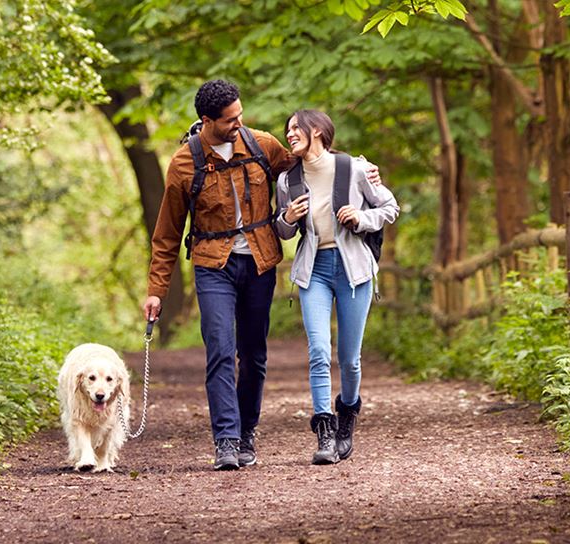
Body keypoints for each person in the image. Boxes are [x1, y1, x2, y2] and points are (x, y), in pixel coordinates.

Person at [142, 80, 381, 470]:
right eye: (231, 119)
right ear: (207, 121)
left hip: (258, 262)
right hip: (211, 264)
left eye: (240, 114)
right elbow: (166, 233)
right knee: (220, 349)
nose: (240, 122)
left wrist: (359, 169)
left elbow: (312, 163)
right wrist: (156, 291)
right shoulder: (184, 164)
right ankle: (227, 439)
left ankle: (247, 431)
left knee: (253, 354)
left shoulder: (260, 145)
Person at [273, 109, 398, 465]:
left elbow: (389, 207)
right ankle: (324, 432)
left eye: (297, 127)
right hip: (314, 271)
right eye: (288, 129)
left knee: (349, 359)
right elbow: (281, 230)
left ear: (318, 130)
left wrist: (361, 218)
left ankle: (347, 417)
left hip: (353, 270)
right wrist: (287, 218)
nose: (290, 133)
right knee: (317, 351)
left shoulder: (354, 168)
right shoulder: (287, 181)